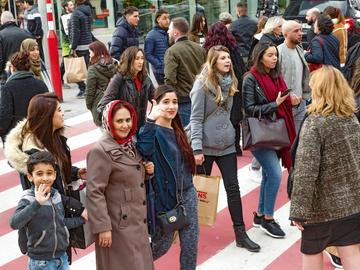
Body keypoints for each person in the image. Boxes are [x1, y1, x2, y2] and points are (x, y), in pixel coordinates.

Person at [190, 45, 260, 252]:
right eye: (223, 58)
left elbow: (228, 114)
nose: (228, 61)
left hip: (227, 144)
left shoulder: (230, 82)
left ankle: (240, 233)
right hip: (205, 146)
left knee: (233, 188)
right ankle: (188, 231)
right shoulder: (201, 85)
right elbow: (195, 118)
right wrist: (196, 149)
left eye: (228, 57)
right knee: (197, 191)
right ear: (213, 62)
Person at [290, 65, 360, 270]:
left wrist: (298, 210)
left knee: (311, 256)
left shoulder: (315, 123)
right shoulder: (351, 119)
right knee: (352, 254)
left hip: (320, 209)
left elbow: (305, 171)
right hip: (352, 203)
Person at [86, 100, 154, 270]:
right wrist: (102, 227)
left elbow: (127, 177)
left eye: (128, 120)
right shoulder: (100, 151)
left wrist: (147, 172)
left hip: (136, 221)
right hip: (117, 225)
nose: (125, 125)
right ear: (109, 122)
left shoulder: (129, 144)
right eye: (119, 121)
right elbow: (95, 192)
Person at [137, 85, 199, 270]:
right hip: (166, 198)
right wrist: (150, 119)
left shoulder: (178, 128)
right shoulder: (151, 131)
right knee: (159, 247)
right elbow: (144, 150)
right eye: (166, 102)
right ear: (155, 104)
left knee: (190, 247)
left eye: (175, 102)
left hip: (187, 194)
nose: (171, 106)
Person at [243, 42, 296, 238]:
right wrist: (276, 104)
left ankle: (260, 215)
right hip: (260, 133)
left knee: (268, 174)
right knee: (274, 173)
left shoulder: (275, 76)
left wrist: (290, 100)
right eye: (270, 55)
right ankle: (268, 218)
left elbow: (281, 100)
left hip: (276, 131)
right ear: (260, 57)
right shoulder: (250, 79)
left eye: (275, 55)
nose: (274, 58)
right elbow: (248, 109)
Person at [10, 151, 87, 270]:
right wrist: (37, 203)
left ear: (55, 175)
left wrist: (83, 219)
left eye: (49, 173)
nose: (45, 178)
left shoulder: (56, 196)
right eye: (39, 174)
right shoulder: (29, 199)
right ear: (30, 176)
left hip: (62, 258)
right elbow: (14, 223)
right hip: (41, 263)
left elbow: (62, 223)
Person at [204, 22, 247, 156]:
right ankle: (235, 146)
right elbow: (241, 68)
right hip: (233, 86)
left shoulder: (208, 50)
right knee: (234, 116)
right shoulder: (232, 49)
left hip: (214, 86)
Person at [99, 46, 154, 131]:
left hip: (142, 125)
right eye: (137, 59)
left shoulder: (145, 78)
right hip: (126, 127)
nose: (141, 62)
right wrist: (118, 119)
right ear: (129, 60)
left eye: (142, 58)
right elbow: (104, 104)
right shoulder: (119, 78)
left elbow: (155, 98)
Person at [164, 17, 206, 126]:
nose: (168, 31)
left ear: (175, 32)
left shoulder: (172, 51)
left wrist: (171, 100)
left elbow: (169, 79)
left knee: (186, 136)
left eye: (169, 29)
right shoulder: (199, 49)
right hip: (201, 99)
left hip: (184, 101)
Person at [0, 51, 48, 141]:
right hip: (38, 132)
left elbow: (5, 115)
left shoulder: (8, 88)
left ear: (13, 68)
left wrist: (2, 132)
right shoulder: (40, 84)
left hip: (16, 134)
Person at [278, 20, 310, 133]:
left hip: (301, 103)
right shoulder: (278, 52)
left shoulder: (299, 49)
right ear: (286, 34)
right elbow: (275, 80)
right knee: (285, 140)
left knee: (298, 139)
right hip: (285, 105)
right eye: (296, 31)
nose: (300, 33)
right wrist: (288, 97)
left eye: (301, 30)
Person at [85, 41, 116, 126]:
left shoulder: (93, 69)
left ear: (95, 52)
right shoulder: (114, 63)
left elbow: (90, 90)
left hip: (100, 101)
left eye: (90, 52)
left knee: (104, 129)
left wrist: (89, 105)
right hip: (114, 99)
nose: (89, 55)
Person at [0, 11, 32, 86]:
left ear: (2, 22)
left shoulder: (1, 36)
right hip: (27, 74)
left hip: (7, 77)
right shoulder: (26, 33)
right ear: (14, 20)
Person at [69, 0, 93, 98]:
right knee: (87, 69)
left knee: (77, 69)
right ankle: (89, 89)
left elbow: (75, 32)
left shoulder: (76, 14)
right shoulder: (87, 13)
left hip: (80, 46)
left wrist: (73, 47)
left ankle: (83, 89)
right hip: (88, 44)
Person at [144, 8, 170, 85]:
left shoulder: (169, 32)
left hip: (171, 68)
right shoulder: (151, 35)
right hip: (160, 71)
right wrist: (160, 64)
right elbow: (147, 54)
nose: (168, 20)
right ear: (158, 19)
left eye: (168, 18)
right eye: (164, 18)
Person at [60, 0, 75, 87]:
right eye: (71, 5)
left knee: (69, 61)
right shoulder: (64, 17)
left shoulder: (73, 14)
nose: (73, 6)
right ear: (66, 7)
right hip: (67, 42)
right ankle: (60, 79)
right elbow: (65, 31)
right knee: (65, 62)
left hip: (71, 41)